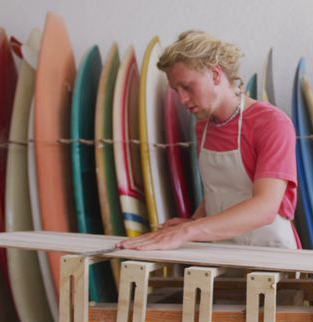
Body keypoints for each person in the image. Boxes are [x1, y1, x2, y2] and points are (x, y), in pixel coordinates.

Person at [117, 30, 301, 251]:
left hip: (271, 253)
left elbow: (265, 208)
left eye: (187, 87)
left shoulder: (271, 123)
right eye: (177, 90)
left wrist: (189, 231)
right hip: (223, 251)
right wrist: (193, 221)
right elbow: (220, 190)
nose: (182, 99)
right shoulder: (203, 126)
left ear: (215, 74)